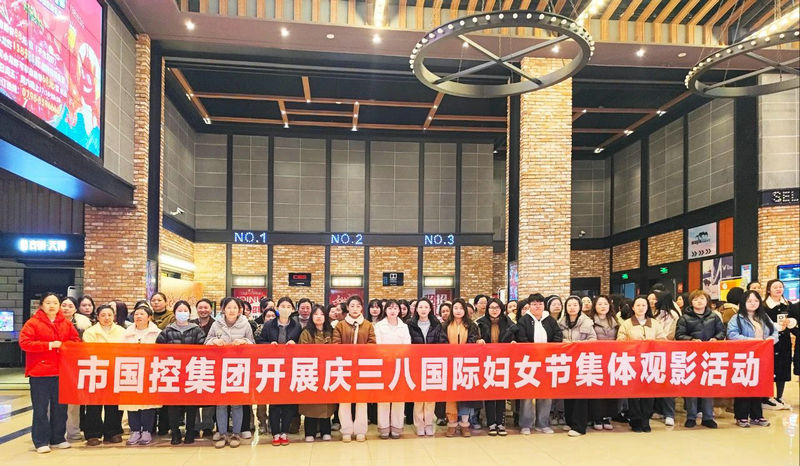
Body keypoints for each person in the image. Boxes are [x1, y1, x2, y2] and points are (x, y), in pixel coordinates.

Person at [19, 292, 81, 453]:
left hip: (61, 371)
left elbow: (76, 341)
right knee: (40, 408)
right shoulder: (33, 323)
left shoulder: (65, 323)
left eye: (55, 303)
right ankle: (40, 441)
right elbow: (25, 343)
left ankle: (58, 438)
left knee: (60, 407)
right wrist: (48, 345)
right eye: (48, 303)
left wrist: (65, 345)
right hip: (39, 372)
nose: (52, 306)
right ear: (41, 305)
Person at [205, 297, 255, 448]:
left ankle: (236, 434)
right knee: (221, 404)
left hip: (238, 368)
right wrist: (213, 341)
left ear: (240, 310)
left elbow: (253, 344)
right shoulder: (216, 324)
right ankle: (222, 433)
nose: (232, 310)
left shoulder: (245, 324)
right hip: (220, 368)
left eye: (235, 308)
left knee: (236, 403)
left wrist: (244, 342)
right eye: (228, 307)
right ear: (223, 310)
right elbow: (206, 342)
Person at [511, 293, 562, 435]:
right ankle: (526, 424)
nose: (537, 306)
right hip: (529, 362)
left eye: (540, 304)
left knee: (545, 393)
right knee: (527, 394)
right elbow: (522, 339)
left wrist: (549, 351)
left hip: (547, 362)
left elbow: (558, 336)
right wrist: (534, 352)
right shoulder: (524, 321)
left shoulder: (550, 320)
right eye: (534, 304)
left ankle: (542, 423)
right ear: (530, 306)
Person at [155, 301, 206, 444]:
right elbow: (158, 349)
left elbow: (203, 349)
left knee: (191, 405)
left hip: (191, 372)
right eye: (179, 310)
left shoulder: (197, 330)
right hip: (172, 373)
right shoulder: (167, 331)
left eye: (185, 311)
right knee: (173, 405)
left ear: (189, 313)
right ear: (174, 313)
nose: (182, 313)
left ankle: (190, 432)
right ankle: (175, 433)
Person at [727, 290, 778, 427]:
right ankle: (741, 416)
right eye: (749, 301)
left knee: (758, 386)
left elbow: (774, 332)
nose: (753, 303)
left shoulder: (764, 317)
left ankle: (757, 415)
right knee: (743, 386)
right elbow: (732, 335)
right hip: (744, 357)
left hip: (761, 357)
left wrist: (770, 339)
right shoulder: (737, 318)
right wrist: (752, 341)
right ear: (743, 302)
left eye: (756, 301)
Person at [617, 295, 667, 433]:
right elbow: (620, 341)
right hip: (633, 363)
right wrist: (633, 343)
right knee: (633, 393)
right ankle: (635, 420)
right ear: (633, 307)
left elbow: (663, 340)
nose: (641, 308)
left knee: (648, 393)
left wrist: (652, 343)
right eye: (638, 305)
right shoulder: (627, 324)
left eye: (643, 305)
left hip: (650, 362)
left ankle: (646, 419)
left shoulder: (654, 323)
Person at [675, 290, 724, 429]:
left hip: (709, 356)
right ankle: (691, 416)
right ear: (691, 302)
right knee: (692, 387)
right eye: (696, 299)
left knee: (708, 386)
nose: (699, 301)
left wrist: (716, 338)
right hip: (691, 357)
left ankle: (708, 417)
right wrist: (691, 339)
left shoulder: (714, 316)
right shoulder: (684, 318)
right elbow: (679, 335)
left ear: (707, 301)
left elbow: (721, 331)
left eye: (702, 298)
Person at [333, 295, 376, 442]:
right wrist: (348, 354)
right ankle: (346, 430)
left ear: (362, 308)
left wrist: (360, 353)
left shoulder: (368, 325)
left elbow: (372, 343)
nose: (355, 309)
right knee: (344, 400)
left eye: (358, 306)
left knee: (361, 400)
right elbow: (336, 345)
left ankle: (360, 430)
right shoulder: (340, 325)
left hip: (362, 366)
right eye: (352, 306)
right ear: (348, 308)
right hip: (344, 366)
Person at [261, 297, 302, 446]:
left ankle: (284, 432)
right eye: (282, 306)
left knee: (288, 403)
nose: (285, 309)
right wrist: (269, 344)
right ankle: (275, 433)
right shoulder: (269, 325)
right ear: (277, 308)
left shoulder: (296, 326)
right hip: (273, 367)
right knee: (274, 403)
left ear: (292, 309)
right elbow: (260, 341)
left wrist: (295, 344)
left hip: (290, 367)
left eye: (288, 306)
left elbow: (302, 345)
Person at [82, 305, 125, 446]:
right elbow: (89, 351)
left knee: (113, 404)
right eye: (103, 315)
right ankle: (93, 433)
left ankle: (113, 432)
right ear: (97, 317)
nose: (106, 318)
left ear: (114, 316)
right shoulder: (90, 332)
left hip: (115, 371)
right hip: (96, 371)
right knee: (94, 404)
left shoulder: (122, 332)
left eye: (109, 315)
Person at [120, 302, 162, 446]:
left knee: (148, 402)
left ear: (149, 317)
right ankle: (135, 430)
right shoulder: (126, 333)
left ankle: (147, 430)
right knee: (132, 402)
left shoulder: (157, 333)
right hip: (131, 370)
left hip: (149, 371)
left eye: (142, 314)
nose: (138, 316)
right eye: (136, 314)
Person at [558, 296, 597, 437]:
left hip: (582, 361)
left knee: (580, 394)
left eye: (575, 305)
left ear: (580, 307)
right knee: (569, 392)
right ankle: (570, 421)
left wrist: (579, 345)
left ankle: (580, 426)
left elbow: (593, 339)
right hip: (567, 362)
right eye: (569, 305)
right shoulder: (561, 322)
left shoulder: (587, 322)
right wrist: (564, 342)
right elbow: (556, 339)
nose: (572, 307)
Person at [443, 298, 481, 437]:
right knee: (451, 396)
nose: (458, 311)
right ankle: (452, 424)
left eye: (461, 308)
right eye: (455, 308)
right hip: (449, 364)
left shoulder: (471, 325)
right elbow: (441, 343)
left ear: (465, 310)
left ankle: (465, 424)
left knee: (465, 395)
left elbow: (473, 341)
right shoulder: (444, 325)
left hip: (466, 364)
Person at [475, 297, 513, 436]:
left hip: (503, 361)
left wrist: (514, 342)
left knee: (501, 393)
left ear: (501, 309)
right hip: (487, 362)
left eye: (497, 308)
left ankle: (501, 423)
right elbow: (474, 339)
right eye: (491, 307)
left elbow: (515, 337)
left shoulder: (509, 323)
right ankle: (491, 423)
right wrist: (478, 341)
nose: (494, 310)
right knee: (489, 392)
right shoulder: (480, 323)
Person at [299, 305, 337, 442]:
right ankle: (310, 432)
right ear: (312, 317)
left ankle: (325, 430)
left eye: (321, 314)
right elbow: (303, 351)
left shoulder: (331, 331)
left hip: (327, 371)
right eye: (316, 314)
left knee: (326, 403)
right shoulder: (306, 332)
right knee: (311, 402)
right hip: (311, 370)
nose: (319, 317)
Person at [374, 299, 411, 439]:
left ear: (399, 310)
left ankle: (396, 427)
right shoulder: (379, 326)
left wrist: (397, 356)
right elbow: (377, 345)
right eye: (390, 308)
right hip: (383, 365)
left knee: (398, 397)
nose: (393, 311)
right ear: (385, 310)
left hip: (400, 365)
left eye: (395, 308)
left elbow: (407, 345)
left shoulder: (404, 326)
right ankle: (383, 427)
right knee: (383, 397)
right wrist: (388, 356)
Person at [408, 298, 445, 436]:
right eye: (420, 307)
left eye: (426, 307)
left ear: (430, 309)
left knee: (430, 396)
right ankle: (419, 424)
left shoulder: (437, 324)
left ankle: (429, 424)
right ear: (416, 309)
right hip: (416, 364)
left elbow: (441, 342)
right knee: (418, 396)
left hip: (432, 363)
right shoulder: (409, 324)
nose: (423, 310)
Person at [59, 296, 90, 441]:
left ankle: (73, 432)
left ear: (75, 309)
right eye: (64, 305)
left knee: (74, 402)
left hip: (75, 366)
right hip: (56, 366)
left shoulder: (83, 325)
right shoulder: (52, 322)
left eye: (70, 306)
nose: (66, 308)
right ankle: (55, 432)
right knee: (54, 402)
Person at [588, 295, 618, 430]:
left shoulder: (615, 321)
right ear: (595, 306)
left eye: (605, 304)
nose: (603, 306)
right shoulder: (589, 321)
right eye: (599, 304)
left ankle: (607, 416)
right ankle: (596, 417)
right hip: (595, 359)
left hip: (612, 359)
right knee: (596, 388)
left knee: (610, 389)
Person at [763, 279, 793, 410]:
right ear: (769, 290)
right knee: (770, 368)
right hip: (769, 340)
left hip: (785, 341)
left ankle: (779, 396)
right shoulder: (764, 306)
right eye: (775, 287)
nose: (778, 289)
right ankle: (767, 397)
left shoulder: (788, 305)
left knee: (783, 367)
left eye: (780, 287)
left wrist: (791, 322)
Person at [651, 292, 680, 427]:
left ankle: (669, 413)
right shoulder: (654, 314)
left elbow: (670, 333)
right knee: (655, 381)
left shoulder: (673, 315)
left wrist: (659, 340)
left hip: (667, 351)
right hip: (653, 352)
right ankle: (657, 409)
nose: (652, 302)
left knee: (667, 383)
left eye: (655, 299)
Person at [191, 298, 216, 438]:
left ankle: (207, 426)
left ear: (210, 309)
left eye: (206, 307)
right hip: (193, 364)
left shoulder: (216, 324)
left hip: (211, 364)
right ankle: (194, 426)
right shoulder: (191, 324)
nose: (203, 310)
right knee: (193, 394)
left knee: (209, 395)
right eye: (200, 307)